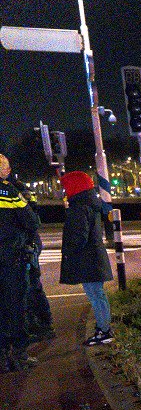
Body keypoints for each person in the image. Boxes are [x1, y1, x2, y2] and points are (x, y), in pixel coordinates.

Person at [60, 171, 114, 346]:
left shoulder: (80, 208)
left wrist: (68, 251)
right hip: (94, 258)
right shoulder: (91, 205)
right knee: (98, 294)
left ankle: (104, 331)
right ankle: (104, 329)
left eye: (66, 188)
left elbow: (78, 237)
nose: (65, 192)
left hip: (87, 260)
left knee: (95, 295)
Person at [0, 153, 40, 371]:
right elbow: (32, 221)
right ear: (5, 171)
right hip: (11, 259)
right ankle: (20, 354)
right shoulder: (10, 192)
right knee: (16, 306)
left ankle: (2, 356)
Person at [11, 177, 54, 342]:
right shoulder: (19, 187)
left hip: (26, 244)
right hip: (29, 242)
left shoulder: (14, 189)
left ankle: (39, 325)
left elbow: (28, 219)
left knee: (29, 287)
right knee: (32, 286)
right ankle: (41, 324)